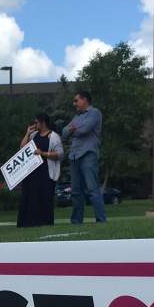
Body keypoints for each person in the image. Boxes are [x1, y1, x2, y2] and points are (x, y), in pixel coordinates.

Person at [62, 90, 106, 224]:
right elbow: (64, 132)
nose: (74, 103)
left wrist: (73, 130)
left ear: (85, 99)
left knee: (92, 188)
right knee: (76, 191)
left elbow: (84, 129)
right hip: (74, 156)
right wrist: (71, 129)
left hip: (88, 154)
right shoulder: (76, 117)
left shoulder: (95, 113)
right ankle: (76, 221)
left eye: (76, 100)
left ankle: (101, 220)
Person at [17, 113, 62, 228]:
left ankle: (45, 222)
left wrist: (43, 153)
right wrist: (27, 133)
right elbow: (22, 148)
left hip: (46, 172)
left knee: (45, 198)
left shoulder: (53, 137)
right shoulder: (34, 135)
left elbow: (59, 154)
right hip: (32, 172)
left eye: (36, 122)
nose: (34, 125)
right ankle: (29, 222)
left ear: (43, 123)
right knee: (31, 197)